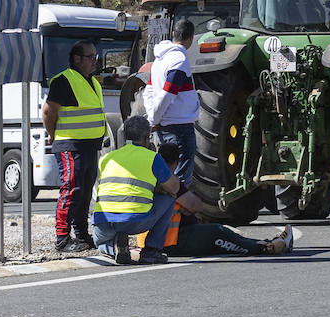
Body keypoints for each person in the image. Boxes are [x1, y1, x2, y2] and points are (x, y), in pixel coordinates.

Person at [137, 141, 293, 258]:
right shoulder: (170, 181)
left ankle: (265, 242)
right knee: (217, 232)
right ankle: (266, 248)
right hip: (173, 240)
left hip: (151, 241)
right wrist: (185, 205)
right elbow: (196, 205)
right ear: (177, 162)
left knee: (221, 241)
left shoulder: (147, 180)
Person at [42, 41, 109, 252]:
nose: (95, 61)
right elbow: (48, 112)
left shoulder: (92, 82)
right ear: (77, 59)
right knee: (71, 190)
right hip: (70, 145)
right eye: (91, 57)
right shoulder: (63, 81)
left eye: (95, 57)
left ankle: (81, 234)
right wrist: (53, 135)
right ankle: (62, 238)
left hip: (90, 146)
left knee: (85, 192)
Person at [91, 115, 182, 265]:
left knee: (100, 243)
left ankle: (116, 249)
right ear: (147, 138)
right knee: (169, 198)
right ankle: (152, 250)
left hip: (104, 223)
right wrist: (158, 188)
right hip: (133, 222)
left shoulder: (107, 158)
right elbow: (174, 188)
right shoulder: (152, 158)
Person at [144, 19, 199, 189]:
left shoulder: (160, 59)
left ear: (173, 34)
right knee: (179, 181)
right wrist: (154, 119)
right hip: (179, 127)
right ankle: (175, 214)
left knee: (165, 177)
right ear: (191, 38)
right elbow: (167, 94)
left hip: (166, 126)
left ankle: (168, 214)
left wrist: (153, 117)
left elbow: (149, 91)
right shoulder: (179, 59)